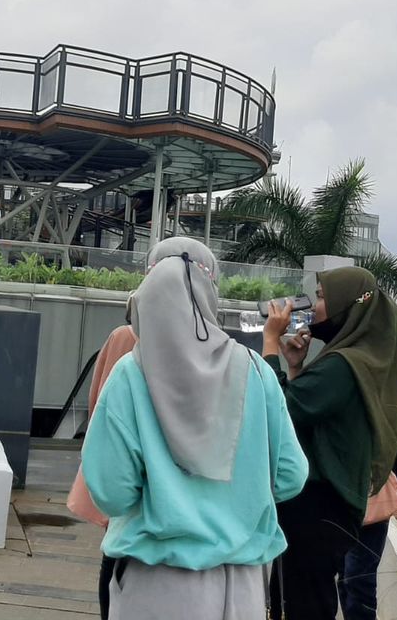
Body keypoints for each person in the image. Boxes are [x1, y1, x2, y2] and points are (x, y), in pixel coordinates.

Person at [82, 238, 309, 620]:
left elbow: (111, 493)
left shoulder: (129, 374)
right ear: (210, 291)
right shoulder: (256, 370)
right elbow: (290, 475)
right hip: (244, 588)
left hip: (155, 586)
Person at [262, 266, 397, 620]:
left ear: (347, 306)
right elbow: (310, 416)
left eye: (324, 297)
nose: (313, 305)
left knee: (304, 604)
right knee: (305, 597)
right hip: (334, 507)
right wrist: (295, 368)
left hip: (317, 506)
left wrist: (269, 342)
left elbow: (278, 411)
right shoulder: (363, 359)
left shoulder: (343, 365)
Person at [66, 323, 137, 620]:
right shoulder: (131, 339)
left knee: (115, 547)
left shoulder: (123, 336)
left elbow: (97, 398)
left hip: (117, 460)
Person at [338, 397, 397, 620]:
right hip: (342, 492)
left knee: (359, 577)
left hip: (374, 491)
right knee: (347, 575)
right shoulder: (342, 374)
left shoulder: (388, 379)